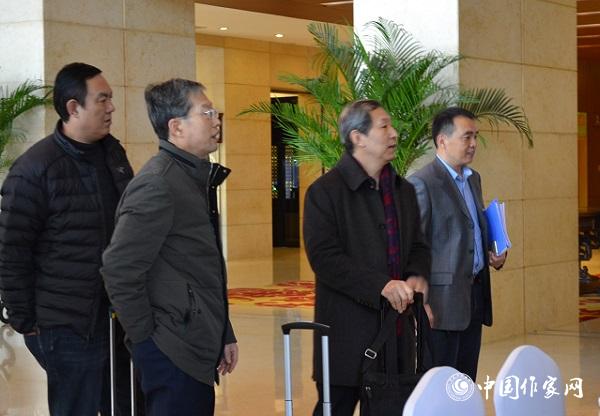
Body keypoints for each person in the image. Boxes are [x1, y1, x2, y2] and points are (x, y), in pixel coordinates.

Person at [0, 62, 134, 415]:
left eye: (111, 98)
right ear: (74, 107)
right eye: (102, 99)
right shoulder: (34, 169)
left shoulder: (113, 154)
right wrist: (24, 320)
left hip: (118, 315)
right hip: (65, 323)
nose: (111, 107)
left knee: (127, 404)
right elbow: (12, 251)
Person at [101, 78, 238, 416]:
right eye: (206, 112)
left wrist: (223, 331)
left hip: (194, 339)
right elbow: (119, 267)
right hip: (172, 347)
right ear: (176, 127)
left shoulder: (191, 177)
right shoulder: (158, 184)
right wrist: (147, 338)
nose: (216, 120)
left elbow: (200, 269)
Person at [303, 99, 431, 416]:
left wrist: (415, 275)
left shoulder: (402, 190)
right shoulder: (325, 192)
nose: (394, 133)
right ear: (358, 137)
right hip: (346, 334)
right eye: (384, 126)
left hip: (395, 333)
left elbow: (418, 245)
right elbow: (325, 259)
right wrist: (381, 286)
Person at [407, 107, 507, 381]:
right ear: (443, 140)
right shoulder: (422, 183)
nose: (473, 143)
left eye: (475, 136)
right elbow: (414, 248)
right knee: (440, 384)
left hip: (474, 296)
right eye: (467, 137)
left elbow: (473, 229)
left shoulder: (473, 179)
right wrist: (420, 303)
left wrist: (494, 254)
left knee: (465, 382)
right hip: (441, 305)